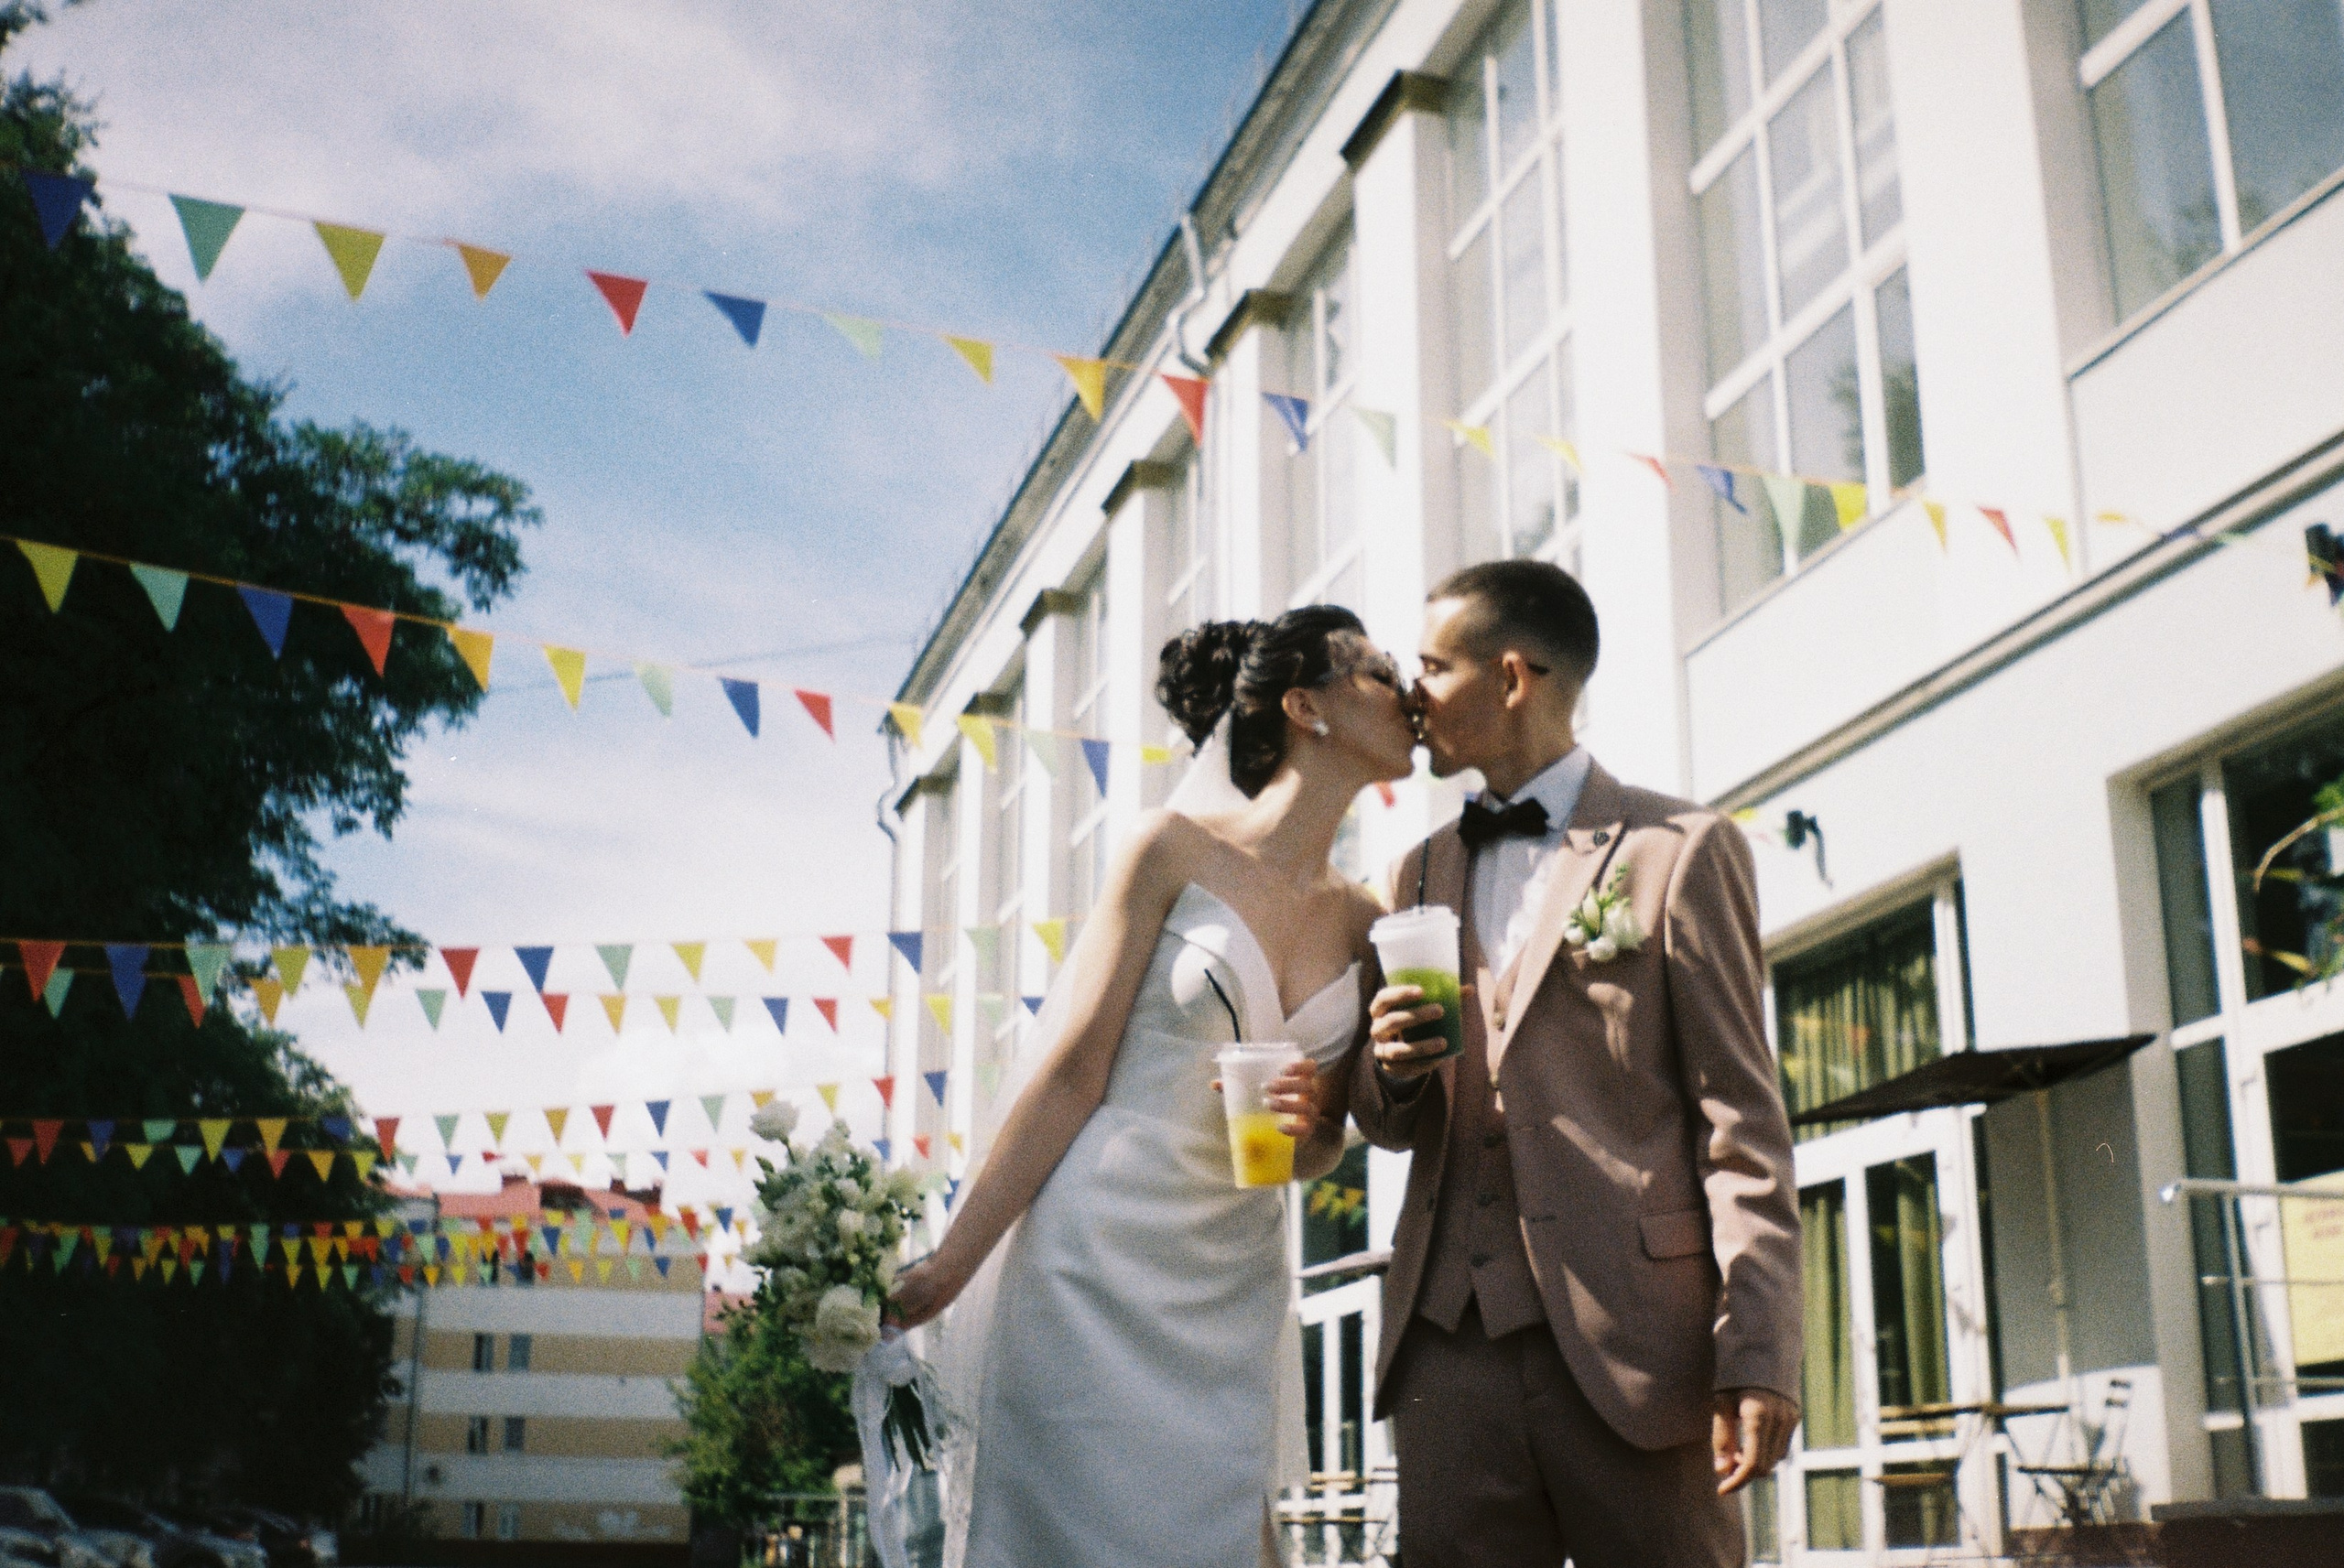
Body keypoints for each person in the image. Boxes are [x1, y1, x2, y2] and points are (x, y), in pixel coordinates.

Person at [888, 605, 1418, 1568]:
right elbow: (1069, 1073)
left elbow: (1326, 1135)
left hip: (1233, 1271)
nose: (1410, 692)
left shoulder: (1367, 917)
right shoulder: (1168, 849)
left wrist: (1312, 1133)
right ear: (1307, 706)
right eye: (1381, 672)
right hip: (1097, 1255)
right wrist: (951, 1263)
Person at [1355, 559, 1802, 1568]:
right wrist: (1389, 1065)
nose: (1409, 693)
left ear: (1513, 677)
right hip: (1446, 1350)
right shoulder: (1413, 869)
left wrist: (1759, 1346)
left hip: (1639, 1346)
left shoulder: (1678, 849)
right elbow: (1383, 1123)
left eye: (1431, 665)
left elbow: (1741, 1123)